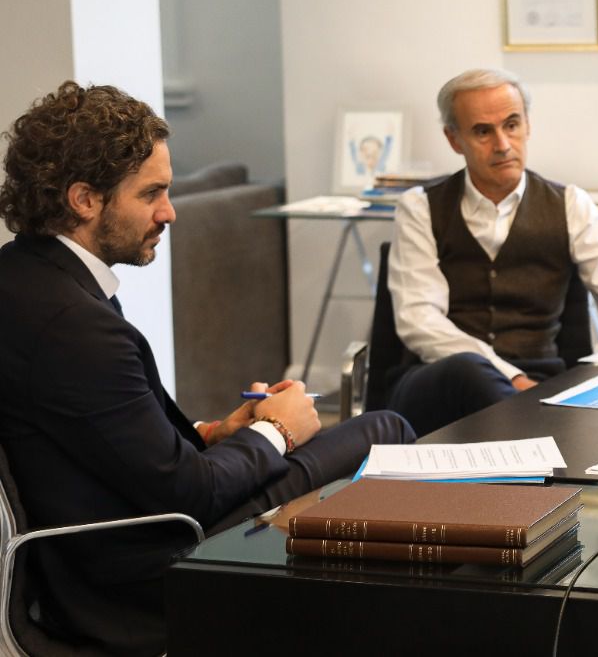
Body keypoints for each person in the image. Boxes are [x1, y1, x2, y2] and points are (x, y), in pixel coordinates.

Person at [0, 82, 415, 655]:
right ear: (84, 199)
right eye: (152, 194)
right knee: (382, 430)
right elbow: (187, 493)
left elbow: (104, 442)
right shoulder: (74, 324)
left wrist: (216, 434)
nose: (169, 212)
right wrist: (279, 429)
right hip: (149, 570)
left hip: (109, 548)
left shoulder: (26, 278)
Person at [381, 68, 598, 435]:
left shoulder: (570, 204)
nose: (502, 144)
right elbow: (420, 321)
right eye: (483, 131)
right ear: (454, 139)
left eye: (512, 125)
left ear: (527, 124)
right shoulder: (419, 207)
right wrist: (508, 377)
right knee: (467, 370)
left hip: (543, 383)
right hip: (435, 383)